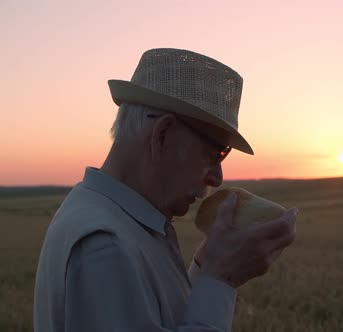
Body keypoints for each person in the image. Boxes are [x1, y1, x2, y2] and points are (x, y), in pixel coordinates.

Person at [33, 48, 298, 332]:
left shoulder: (107, 216)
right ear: (162, 135)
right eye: (214, 154)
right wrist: (221, 279)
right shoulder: (105, 246)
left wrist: (205, 266)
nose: (217, 178)